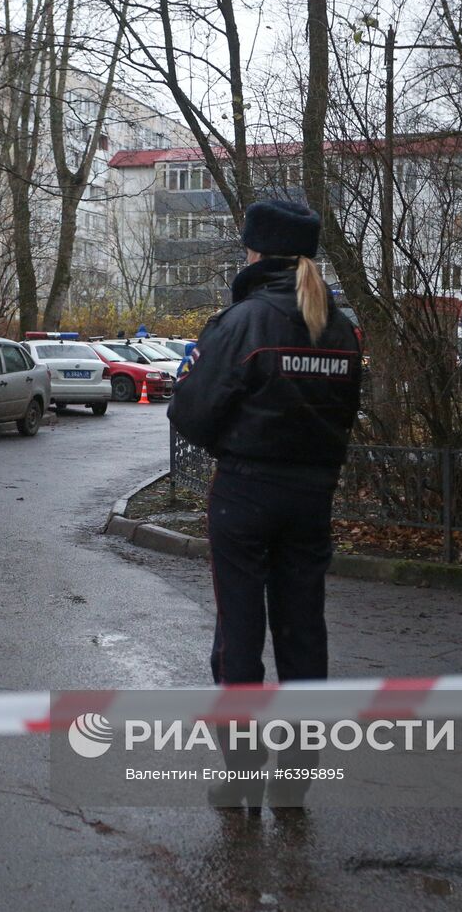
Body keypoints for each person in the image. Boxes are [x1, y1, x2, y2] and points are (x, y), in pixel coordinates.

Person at [168, 200, 363, 812]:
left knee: (239, 636)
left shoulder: (244, 320)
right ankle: (294, 784)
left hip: (245, 495)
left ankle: (243, 775)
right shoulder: (340, 327)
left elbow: (189, 410)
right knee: (304, 633)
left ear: (255, 251)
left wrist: (233, 442)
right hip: (312, 497)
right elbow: (346, 413)